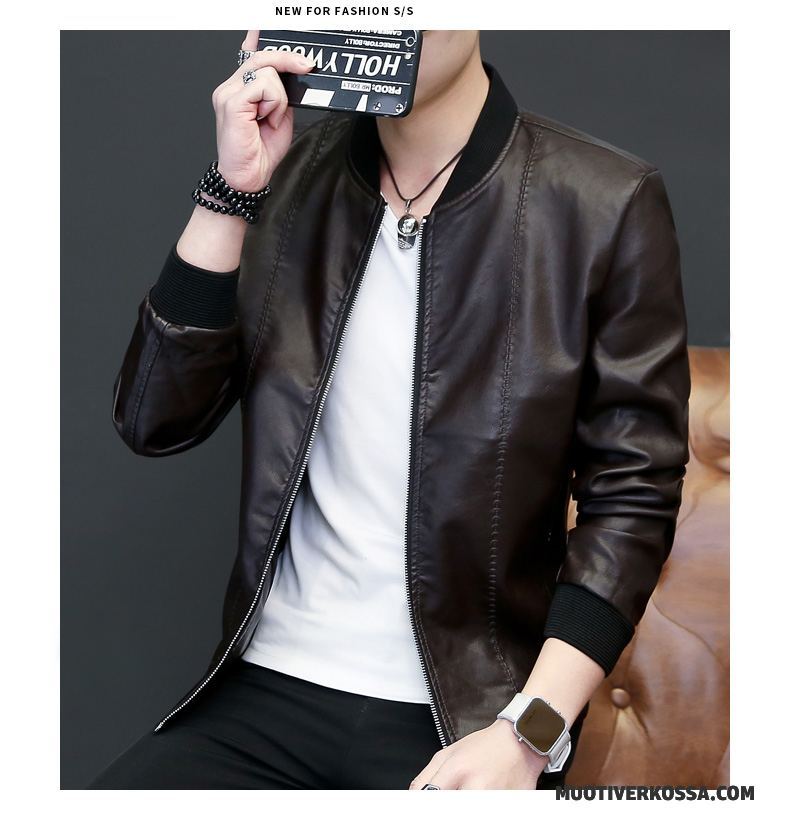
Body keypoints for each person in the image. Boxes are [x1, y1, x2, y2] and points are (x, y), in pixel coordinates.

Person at [88, 29, 690, 790]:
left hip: (465, 717)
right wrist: (230, 193)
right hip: (264, 688)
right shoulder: (288, 172)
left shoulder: (603, 202)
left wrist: (529, 735)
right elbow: (153, 419)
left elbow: (632, 498)